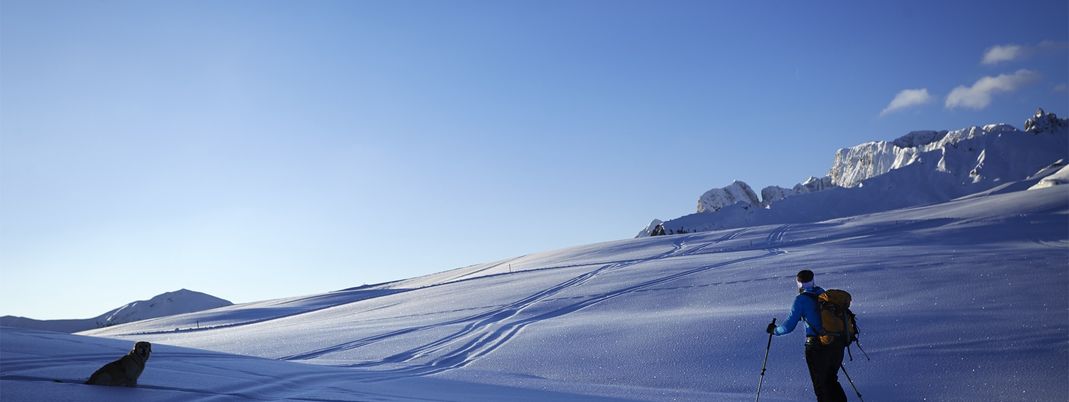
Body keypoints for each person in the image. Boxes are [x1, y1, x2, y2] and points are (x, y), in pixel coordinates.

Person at [766, 270, 847, 402]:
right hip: (835, 344)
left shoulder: (801, 300)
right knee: (832, 381)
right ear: (813, 280)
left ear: (799, 284)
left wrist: (774, 330)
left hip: (816, 347)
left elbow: (788, 327)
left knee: (821, 387)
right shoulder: (823, 293)